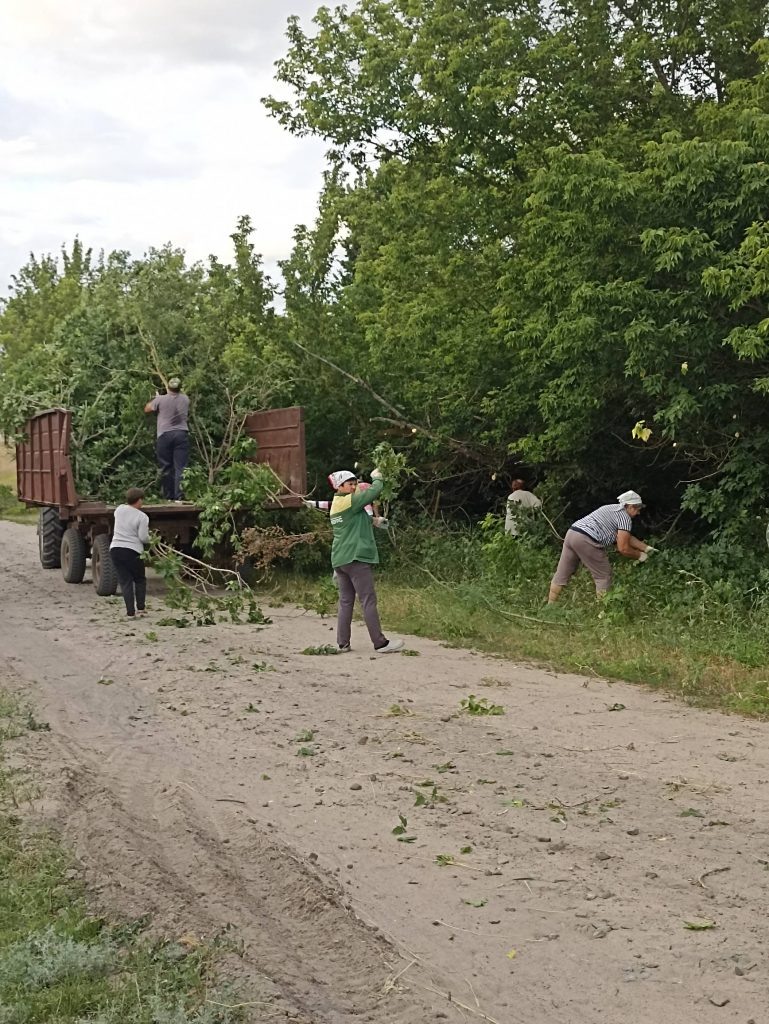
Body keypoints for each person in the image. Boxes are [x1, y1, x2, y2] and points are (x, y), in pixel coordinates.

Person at [329, 468, 404, 654]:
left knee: (346, 601)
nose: (354, 487)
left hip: (340, 559)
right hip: (356, 557)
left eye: (355, 483)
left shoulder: (337, 504)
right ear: (340, 486)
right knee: (368, 600)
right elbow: (373, 492)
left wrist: (375, 521)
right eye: (349, 484)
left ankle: (342, 643)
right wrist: (377, 479)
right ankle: (380, 643)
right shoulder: (350, 500)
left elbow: (353, 520)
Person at [548, 490, 657, 602]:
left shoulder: (610, 508)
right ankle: (603, 611)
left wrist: (647, 548)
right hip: (587, 539)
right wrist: (641, 556)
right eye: (637, 509)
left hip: (572, 533)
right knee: (603, 575)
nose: (638, 513)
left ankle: (550, 606)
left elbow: (626, 537)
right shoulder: (625, 518)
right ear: (630, 507)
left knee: (562, 572)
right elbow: (623, 548)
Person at [144, 377, 189, 501]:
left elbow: (147, 408)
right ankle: (179, 496)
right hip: (181, 433)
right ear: (180, 388)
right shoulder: (185, 399)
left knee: (166, 466)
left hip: (164, 435)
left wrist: (157, 398)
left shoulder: (161, 399)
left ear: (167, 387)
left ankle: (168, 497)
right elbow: (176, 398)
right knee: (181, 467)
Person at [110, 487, 150, 618]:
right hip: (132, 550)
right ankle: (141, 608)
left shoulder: (119, 509)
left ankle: (130, 612)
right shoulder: (142, 517)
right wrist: (152, 540)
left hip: (115, 548)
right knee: (139, 579)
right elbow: (143, 537)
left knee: (125, 581)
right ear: (138, 500)